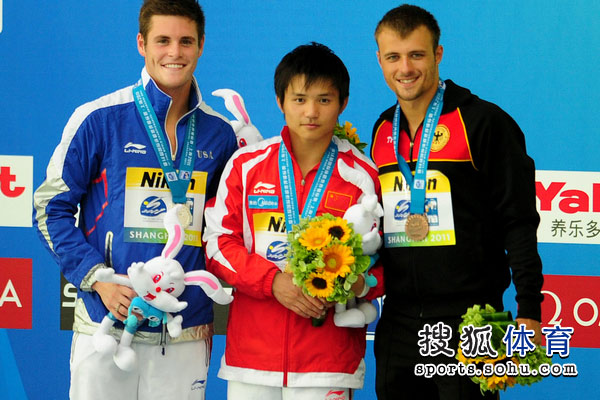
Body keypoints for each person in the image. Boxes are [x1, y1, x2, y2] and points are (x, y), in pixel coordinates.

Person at [32, 1, 237, 399]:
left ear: (201, 45)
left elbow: (225, 227)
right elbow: (49, 209)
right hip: (106, 325)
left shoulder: (220, 134)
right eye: (163, 40)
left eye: (186, 41)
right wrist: (98, 279)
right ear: (142, 44)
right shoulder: (99, 118)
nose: (174, 52)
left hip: (184, 330)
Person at [370, 4, 544, 400]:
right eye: (393, 57)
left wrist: (529, 310)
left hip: (470, 320)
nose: (405, 68)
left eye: (416, 55)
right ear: (379, 60)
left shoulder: (483, 121)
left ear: (438, 54)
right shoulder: (382, 129)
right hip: (399, 321)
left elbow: (518, 221)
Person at [203, 42, 383, 400]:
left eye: (324, 100)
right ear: (280, 101)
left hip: (328, 361)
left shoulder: (362, 176)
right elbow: (217, 244)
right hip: (252, 359)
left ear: (343, 103)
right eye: (299, 99)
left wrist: (358, 284)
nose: (311, 112)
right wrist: (272, 282)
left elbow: (387, 262)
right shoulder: (246, 165)